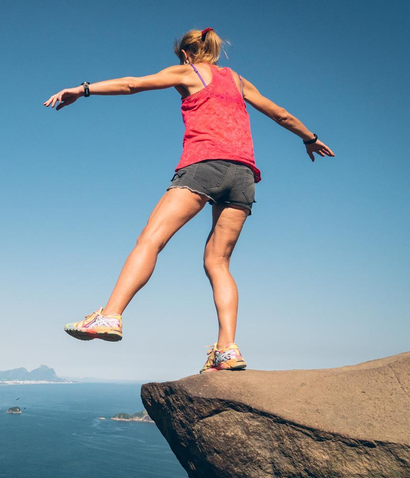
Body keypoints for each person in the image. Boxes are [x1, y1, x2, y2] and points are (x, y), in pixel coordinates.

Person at [43, 28, 334, 373]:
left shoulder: (188, 72)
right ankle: (227, 348)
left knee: (151, 239)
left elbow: (133, 84)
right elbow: (280, 114)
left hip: (204, 166)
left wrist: (84, 89)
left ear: (185, 53)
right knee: (219, 263)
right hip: (244, 176)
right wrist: (309, 138)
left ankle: (110, 315)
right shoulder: (237, 81)